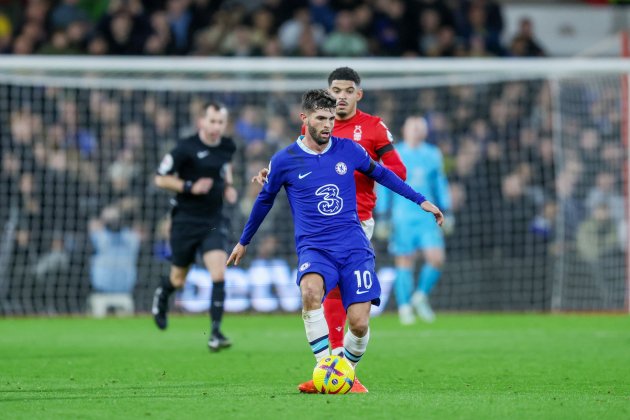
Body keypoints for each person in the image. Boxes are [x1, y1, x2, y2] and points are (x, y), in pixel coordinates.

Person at [231, 89, 443, 393]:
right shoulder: (284, 160)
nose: (328, 124)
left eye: (331, 118)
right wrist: (244, 241)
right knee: (310, 291)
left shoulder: (349, 150)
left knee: (358, 323)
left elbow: (383, 175)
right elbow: (264, 201)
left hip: (353, 246)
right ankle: (324, 368)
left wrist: (420, 200)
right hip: (314, 247)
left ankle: (347, 373)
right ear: (304, 119)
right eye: (321, 118)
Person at [253, 66, 407, 393]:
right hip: (320, 224)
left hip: (355, 222)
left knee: (339, 295)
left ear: (358, 94)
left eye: (348, 90)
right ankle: (334, 370)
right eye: (336, 89)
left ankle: (338, 371)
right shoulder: (321, 126)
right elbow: (299, 160)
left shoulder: (372, 128)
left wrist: (356, 169)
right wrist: (274, 173)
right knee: (323, 293)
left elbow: (398, 171)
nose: (341, 96)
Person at [152, 101, 238, 352]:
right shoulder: (184, 148)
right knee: (178, 279)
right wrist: (189, 187)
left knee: (219, 273)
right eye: (211, 121)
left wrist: (229, 186)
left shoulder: (227, 146)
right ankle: (162, 294)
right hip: (185, 221)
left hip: (212, 220)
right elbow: (160, 178)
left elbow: (225, 165)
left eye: (220, 122)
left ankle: (215, 333)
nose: (215, 127)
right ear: (202, 121)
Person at [376, 116, 451, 324]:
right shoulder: (395, 153)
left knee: (436, 259)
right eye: (413, 128)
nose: (417, 131)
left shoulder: (433, 154)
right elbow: (384, 185)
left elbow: (440, 183)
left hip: (427, 216)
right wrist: (383, 215)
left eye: (420, 128)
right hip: (403, 217)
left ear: (425, 132)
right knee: (404, 261)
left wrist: (447, 209)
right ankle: (404, 307)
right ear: (405, 130)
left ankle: (420, 297)